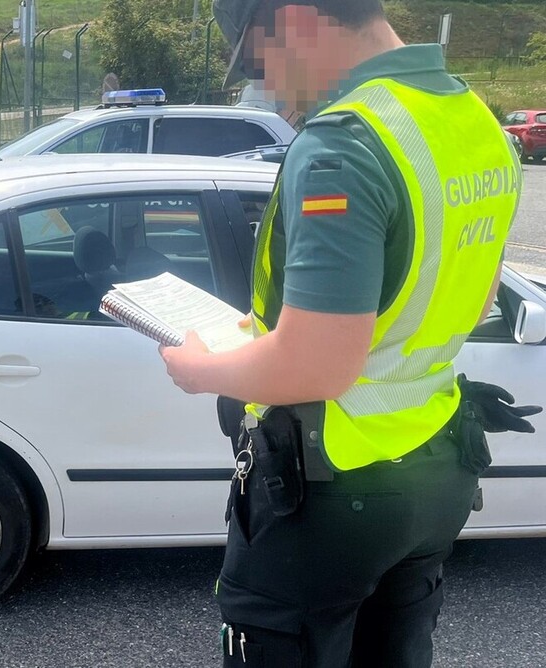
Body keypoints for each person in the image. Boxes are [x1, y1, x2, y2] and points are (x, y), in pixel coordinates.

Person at [160, 1, 540, 665]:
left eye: (257, 60)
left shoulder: (345, 143)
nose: (265, 88)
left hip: (331, 487)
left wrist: (203, 370)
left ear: (299, 20)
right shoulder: (472, 120)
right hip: (436, 467)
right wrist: (285, 324)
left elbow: (319, 367)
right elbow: (470, 296)